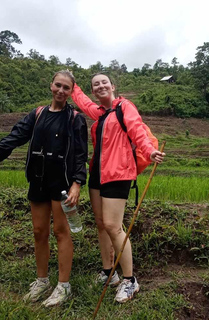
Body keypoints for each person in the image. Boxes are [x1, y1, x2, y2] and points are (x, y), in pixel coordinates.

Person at [71, 73, 164, 303]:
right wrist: (73, 85)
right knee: (101, 225)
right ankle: (108, 272)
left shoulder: (125, 107)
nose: (100, 86)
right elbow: (83, 103)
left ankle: (130, 280)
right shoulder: (100, 113)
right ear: (93, 90)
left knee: (113, 225)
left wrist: (149, 151)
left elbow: (137, 130)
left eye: (104, 82)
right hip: (97, 175)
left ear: (113, 86)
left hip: (118, 174)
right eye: (96, 84)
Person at [0, 70, 88, 307]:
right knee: (39, 231)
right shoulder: (37, 114)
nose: (61, 90)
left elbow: (80, 155)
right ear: (51, 85)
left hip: (62, 184)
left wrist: (77, 183)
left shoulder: (75, 118)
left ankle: (63, 285)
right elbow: (16, 136)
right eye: (57, 85)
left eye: (66, 88)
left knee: (61, 232)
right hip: (38, 180)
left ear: (71, 92)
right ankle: (42, 281)